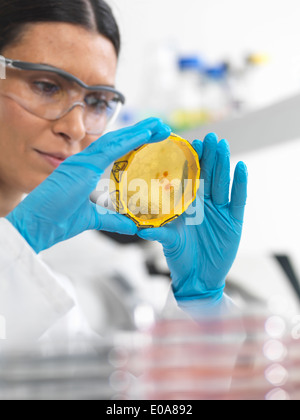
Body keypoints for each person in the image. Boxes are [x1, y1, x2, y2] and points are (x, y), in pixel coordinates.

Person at [0, 0, 248, 347]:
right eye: (46, 86)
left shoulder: (48, 292)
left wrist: (198, 302)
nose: (75, 127)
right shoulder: (21, 265)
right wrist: (14, 248)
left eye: (98, 102)